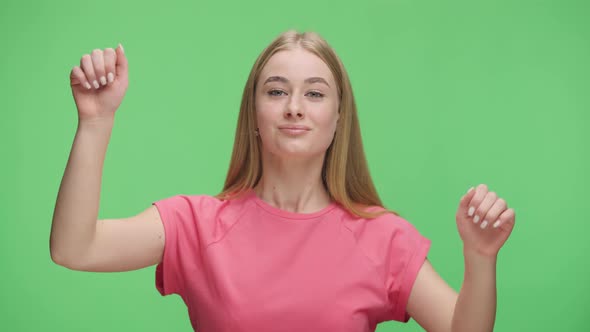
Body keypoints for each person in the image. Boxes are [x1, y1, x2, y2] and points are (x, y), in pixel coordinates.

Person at [50, 30, 516, 332]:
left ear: (338, 120)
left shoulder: (382, 237)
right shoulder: (194, 224)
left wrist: (480, 258)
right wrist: (95, 122)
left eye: (314, 93)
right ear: (254, 115)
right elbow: (75, 248)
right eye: (276, 91)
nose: (294, 106)